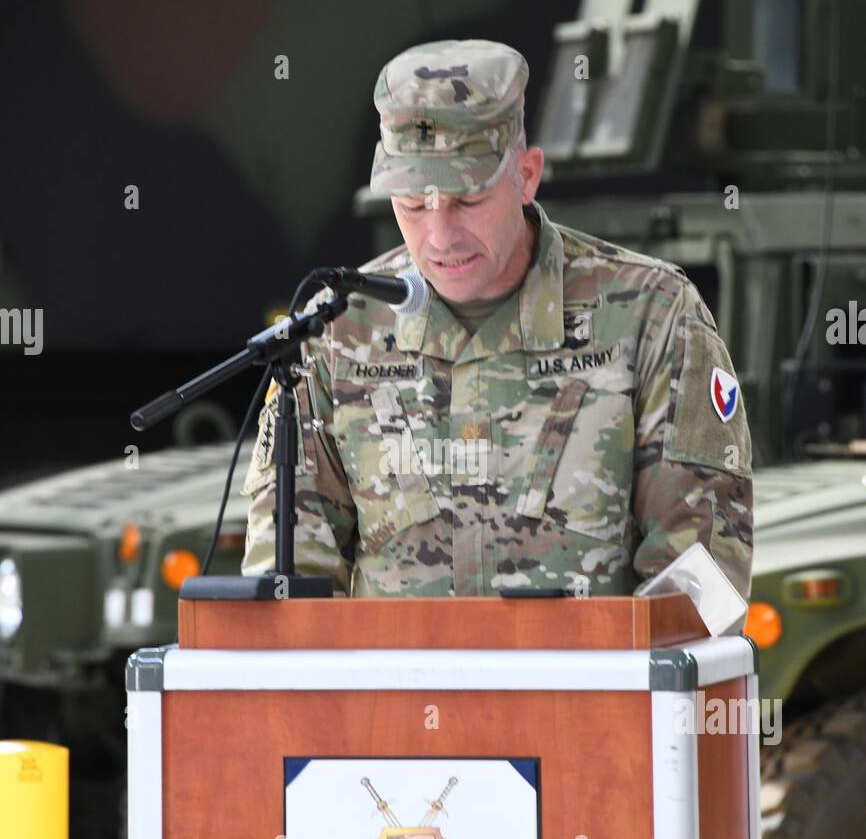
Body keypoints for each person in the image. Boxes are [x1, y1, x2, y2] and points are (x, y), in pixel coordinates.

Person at [241, 39, 752, 599]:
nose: (439, 237)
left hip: (585, 687)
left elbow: (700, 581)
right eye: (413, 204)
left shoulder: (651, 315)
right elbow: (289, 580)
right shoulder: (341, 331)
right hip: (395, 689)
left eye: (467, 200)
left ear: (527, 175)